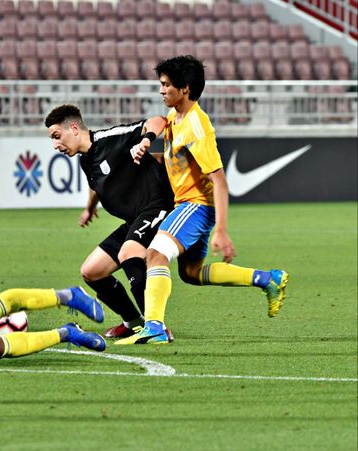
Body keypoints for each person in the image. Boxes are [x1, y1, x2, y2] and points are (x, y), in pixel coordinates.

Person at [118, 55, 289, 345]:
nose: (161, 90)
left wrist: (221, 230)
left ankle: (155, 327)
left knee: (155, 255)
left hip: (195, 205)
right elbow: (166, 139)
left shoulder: (197, 126)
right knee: (191, 272)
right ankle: (267, 279)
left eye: (166, 85)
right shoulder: (176, 118)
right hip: (190, 206)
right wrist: (148, 149)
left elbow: (219, 179)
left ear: (184, 88)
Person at [45, 105, 173, 339]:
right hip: (134, 219)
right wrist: (89, 209)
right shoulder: (86, 160)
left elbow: (158, 120)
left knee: (129, 252)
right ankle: (133, 322)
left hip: (157, 206)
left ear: (74, 128)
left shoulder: (112, 138)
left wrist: (146, 141)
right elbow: (96, 187)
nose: (55, 145)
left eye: (56, 136)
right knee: (91, 271)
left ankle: (156, 326)